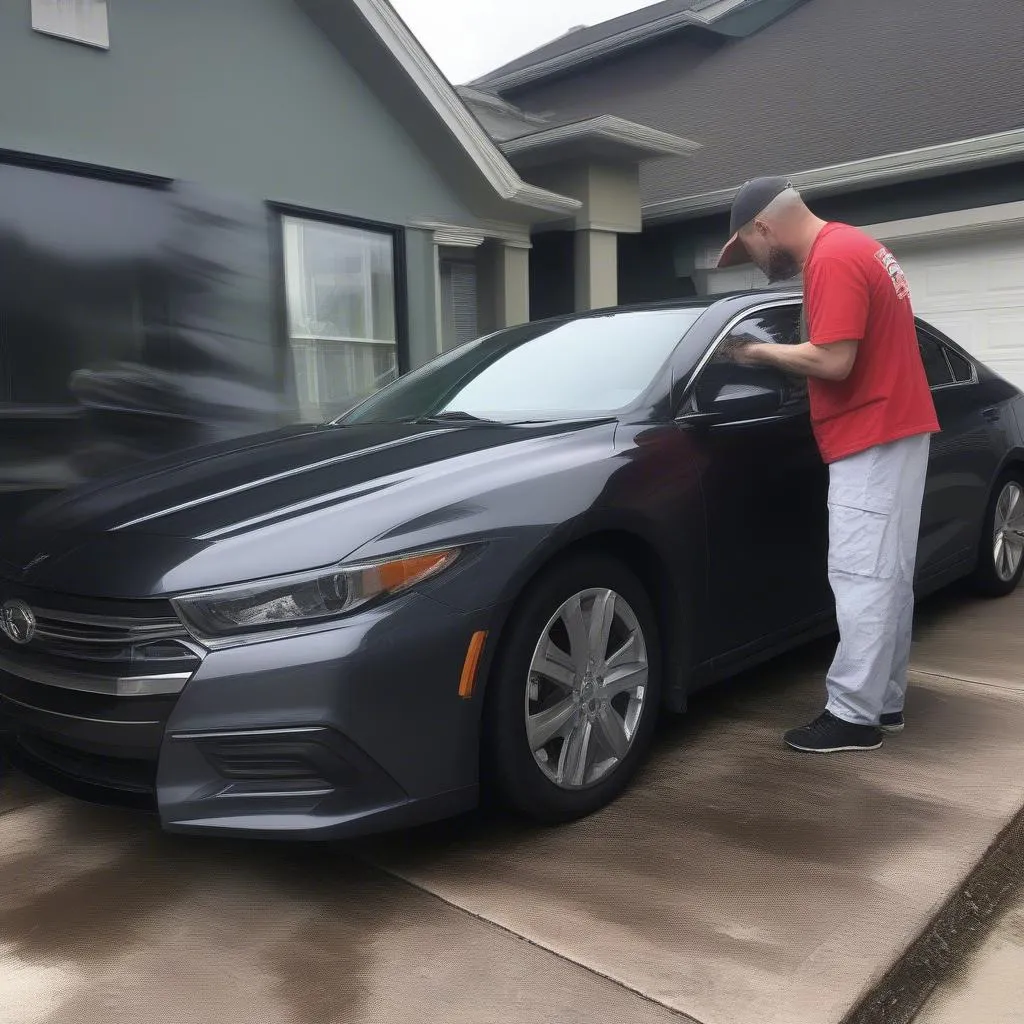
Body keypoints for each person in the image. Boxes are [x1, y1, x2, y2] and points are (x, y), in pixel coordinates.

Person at [716, 177, 940, 754]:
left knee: (862, 576)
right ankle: (882, 705)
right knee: (887, 577)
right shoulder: (858, 246)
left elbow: (834, 361)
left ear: (765, 226)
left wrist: (754, 351)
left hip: (871, 434)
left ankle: (851, 716)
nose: (756, 260)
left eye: (749, 246)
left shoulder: (832, 258)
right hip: (896, 430)